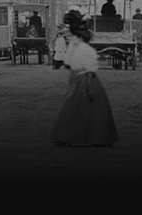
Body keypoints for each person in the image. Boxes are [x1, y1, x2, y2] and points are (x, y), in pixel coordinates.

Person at [50, 10, 118, 147]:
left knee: (78, 109)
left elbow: (88, 70)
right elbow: (70, 65)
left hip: (86, 81)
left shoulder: (83, 49)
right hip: (80, 79)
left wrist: (89, 87)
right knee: (87, 110)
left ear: (78, 36)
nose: (69, 37)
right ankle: (88, 137)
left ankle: (69, 136)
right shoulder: (76, 46)